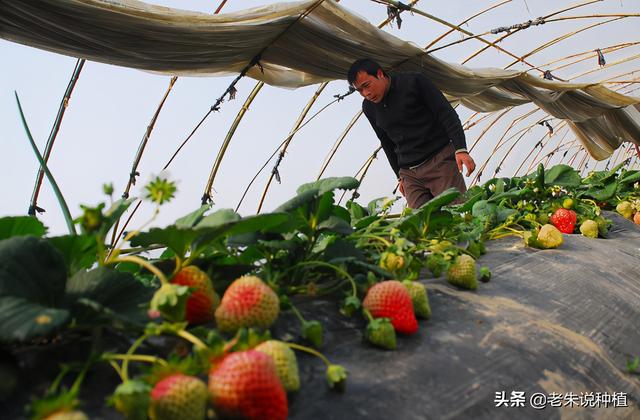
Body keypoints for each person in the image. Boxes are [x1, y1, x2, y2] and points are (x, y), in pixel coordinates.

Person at [347, 58, 476, 209]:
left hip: (439, 161)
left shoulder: (414, 82)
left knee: (456, 212)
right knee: (420, 223)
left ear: (380, 74)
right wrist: (399, 176)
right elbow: (386, 142)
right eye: (360, 91)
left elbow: (446, 114)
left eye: (366, 86)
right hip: (409, 174)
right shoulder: (369, 107)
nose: (366, 93)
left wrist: (461, 149)